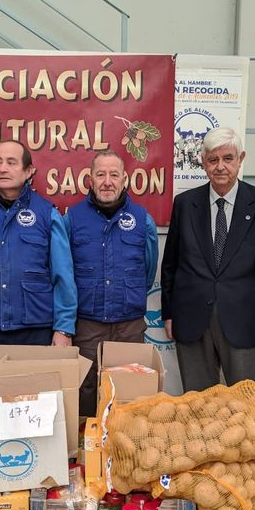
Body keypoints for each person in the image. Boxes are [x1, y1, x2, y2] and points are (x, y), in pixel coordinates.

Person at [160, 127, 255, 393]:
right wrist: (168, 313)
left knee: (244, 407)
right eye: (213, 160)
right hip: (192, 320)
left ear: (241, 159)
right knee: (198, 405)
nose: (220, 167)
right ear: (203, 162)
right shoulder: (184, 204)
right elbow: (171, 263)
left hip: (247, 320)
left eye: (228, 158)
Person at [0, 140, 76, 378]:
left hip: (34, 328)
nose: (2, 169)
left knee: (35, 402)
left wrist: (64, 328)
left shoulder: (47, 213)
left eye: (11, 163)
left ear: (29, 171)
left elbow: (63, 275)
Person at [63, 151, 158, 416]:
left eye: (114, 175)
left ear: (124, 179)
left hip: (129, 327)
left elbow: (147, 272)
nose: (107, 181)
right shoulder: (72, 219)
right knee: (85, 390)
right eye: (100, 174)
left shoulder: (143, 220)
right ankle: (86, 453)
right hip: (86, 326)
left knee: (128, 393)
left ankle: (122, 453)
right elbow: (62, 270)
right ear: (90, 179)